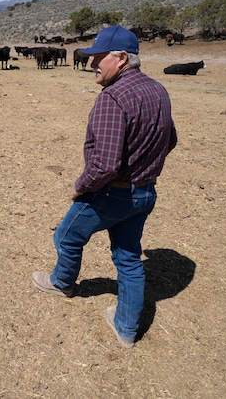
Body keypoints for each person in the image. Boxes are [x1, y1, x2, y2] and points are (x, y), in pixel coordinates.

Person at [31, 25, 177, 348]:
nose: (91, 63)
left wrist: (80, 186)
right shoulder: (159, 91)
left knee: (66, 235)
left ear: (122, 58)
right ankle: (125, 328)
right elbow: (172, 140)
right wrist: (144, 166)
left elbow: (105, 164)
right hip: (146, 192)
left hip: (113, 193)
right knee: (128, 257)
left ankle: (62, 282)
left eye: (98, 57)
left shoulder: (113, 97)